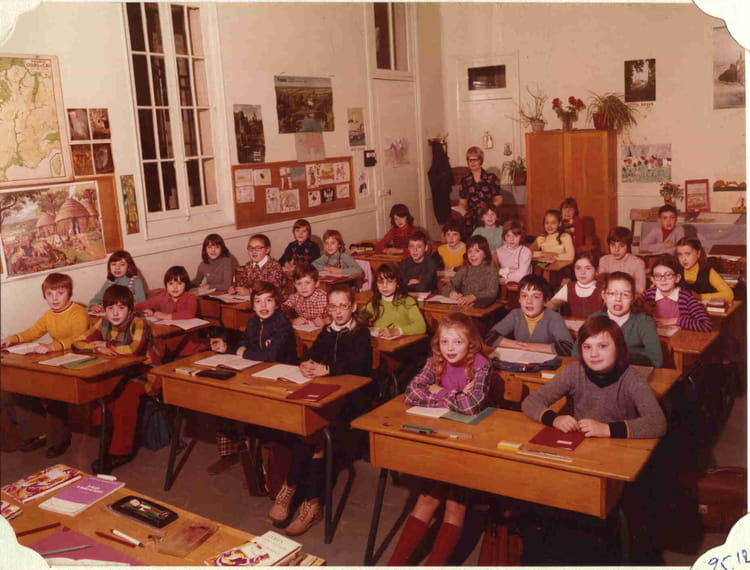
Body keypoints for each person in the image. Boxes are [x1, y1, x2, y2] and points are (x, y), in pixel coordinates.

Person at [268, 285, 373, 536]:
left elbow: (359, 365)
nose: (338, 312)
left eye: (343, 306)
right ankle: (311, 503)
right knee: (310, 431)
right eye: (333, 307)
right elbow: (314, 353)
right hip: (327, 394)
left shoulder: (360, 333)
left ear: (353, 307)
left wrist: (328, 370)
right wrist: (306, 364)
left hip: (353, 398)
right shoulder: (327, 331)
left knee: (312, 432)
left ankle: (292, 487)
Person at [389, 313, 491, 565]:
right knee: (427, 498)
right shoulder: (435, 361)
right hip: (439, 437)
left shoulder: (481, 365)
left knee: (456, 503)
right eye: (445, 342)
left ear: (471, 344)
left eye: (458, 342)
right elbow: (411, 393)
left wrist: (440, 391)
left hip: (469, 442)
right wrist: (454, 394)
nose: (450, 348)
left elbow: (471, 405)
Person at [522, 314, 666, 439]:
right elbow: (531, 402)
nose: (593, 354)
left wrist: (606, 429)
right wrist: (554, 419)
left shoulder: (632, 378)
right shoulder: (574, 372)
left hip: (620, 448)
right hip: (581, 443)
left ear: (618, 348)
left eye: (602, 346)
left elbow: (657, 423)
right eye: (587, 347)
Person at [207, 282, 297, 475]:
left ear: (277, 303)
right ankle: (230, 454)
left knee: (255, 410)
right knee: (223, 397)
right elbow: (245, 346)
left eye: (268, 301)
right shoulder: (253, 323)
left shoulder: (282, 324)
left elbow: (271, 356)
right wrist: (228, 349)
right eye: (258, 301)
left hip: (280, 379)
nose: (263, 306)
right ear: (252, 305)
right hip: (256, 373)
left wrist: (244, 352)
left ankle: (263, 464)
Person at [2, 273, 88, 458]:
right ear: (44, 296)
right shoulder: (49, 315)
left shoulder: (78, 311)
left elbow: (78, 339)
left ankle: (59, 439)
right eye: (50, 294)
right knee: (21, 386)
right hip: (57, 360)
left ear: (69, 293)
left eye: (60, 293)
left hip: (79, 360)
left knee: (54, 392)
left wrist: (51, 346)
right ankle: (36, 432)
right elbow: (33, 332)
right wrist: (11, 339)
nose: (54, 298)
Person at [73, 285, 153, 470]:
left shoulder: (139, 323)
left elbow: (133, 349)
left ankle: (121, 452)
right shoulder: (103, 323)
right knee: (98, 394)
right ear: (105, 310)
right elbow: (77, 342)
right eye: (110, 308)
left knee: (125, 399)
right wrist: (94, 346)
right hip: (114, 372)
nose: (115, 313)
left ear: (130, 309)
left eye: (121, 308)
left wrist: (107, 345)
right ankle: (107, 436)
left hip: (141, 373)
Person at [572, 272, 662, 367]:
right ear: (604, 296)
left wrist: (614, 354)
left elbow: (656, 360)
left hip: (632, 371)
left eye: (625, 295)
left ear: (633, 298)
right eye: (612, 293)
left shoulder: (644, 322)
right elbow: (576, 354)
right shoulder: (594, 318)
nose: (618, 299)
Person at [485, 274, 573, 355]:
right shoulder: (515, 314)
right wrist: (517, 345)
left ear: (545, 300)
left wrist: (530, 347)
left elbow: (568, 347)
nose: (529, 301)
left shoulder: (554, 318)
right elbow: (490, 337)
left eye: (536, 297)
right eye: (524, 296)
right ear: (519, 299)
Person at [641, 255, 712, 332]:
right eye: (658, 276)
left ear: (677, 278)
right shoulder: (647, 295)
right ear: (653, 280)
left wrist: (675, 320)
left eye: (668, 275)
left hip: (680, 338)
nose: (663, 279)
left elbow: (706, 325)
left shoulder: (686, 298)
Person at [359, 263, 426, 339]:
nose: (384, 286)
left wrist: (396, 331)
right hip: (380, 342)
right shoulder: (375, 302)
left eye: (389, 282)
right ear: (376, 284)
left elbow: (421, 326)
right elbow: (359, 318)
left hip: (401, 343)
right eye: (381, 282)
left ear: (397, 284)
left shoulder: (407, 302)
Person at [442, 235, 500, 307]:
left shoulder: (491, 271)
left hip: (481, 308)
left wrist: (473, 297)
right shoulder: (464, 270)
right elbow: (448, 286)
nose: (472, 254)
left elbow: (491, 292)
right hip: (463, 307)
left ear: (485, 254)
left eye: (477, 251)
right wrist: (451, 293)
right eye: (470, 251)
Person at [675, 237, 734, 303]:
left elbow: (729, 295)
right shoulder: (675, 271)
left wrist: (699, 297)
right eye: (680, 255)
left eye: (687, 254)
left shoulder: (707, 271)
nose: (683, 259)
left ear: (698, 253)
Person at [547, 251, 603, 318]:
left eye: (588, 268)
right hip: (572, 324)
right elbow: (551, 305)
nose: (582, 272)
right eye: (578, 268)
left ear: (596, 270)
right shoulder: (569, 287)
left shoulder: (603, 288)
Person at [459, 146, 502, 233]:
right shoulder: (464, 181)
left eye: (475, 160)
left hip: (488, 218)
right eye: (470, 160)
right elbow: (462, 202)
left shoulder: (491, 178)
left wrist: (488, 211)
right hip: (471, 219)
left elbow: (499, 199)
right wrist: (461, 209)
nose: (472, 162)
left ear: (481, 161)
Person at [598, 226, 647, 293]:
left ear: (628, 246)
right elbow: (601, 286)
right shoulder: (604, 260)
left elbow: (640, 290)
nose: (616, 250)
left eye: (621, 246)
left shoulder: (637, 263)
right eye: (613, 245)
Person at [497, 220, 532, 284]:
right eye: (508, 236)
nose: (511, 239)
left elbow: (522, 275)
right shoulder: (499, 251)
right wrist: (508, 270)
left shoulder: (525, 252)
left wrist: (505, 277)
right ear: (504, 236)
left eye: (515, 236)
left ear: (521, 236)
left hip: (523, 284)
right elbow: (495, 272)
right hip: (503, 285)